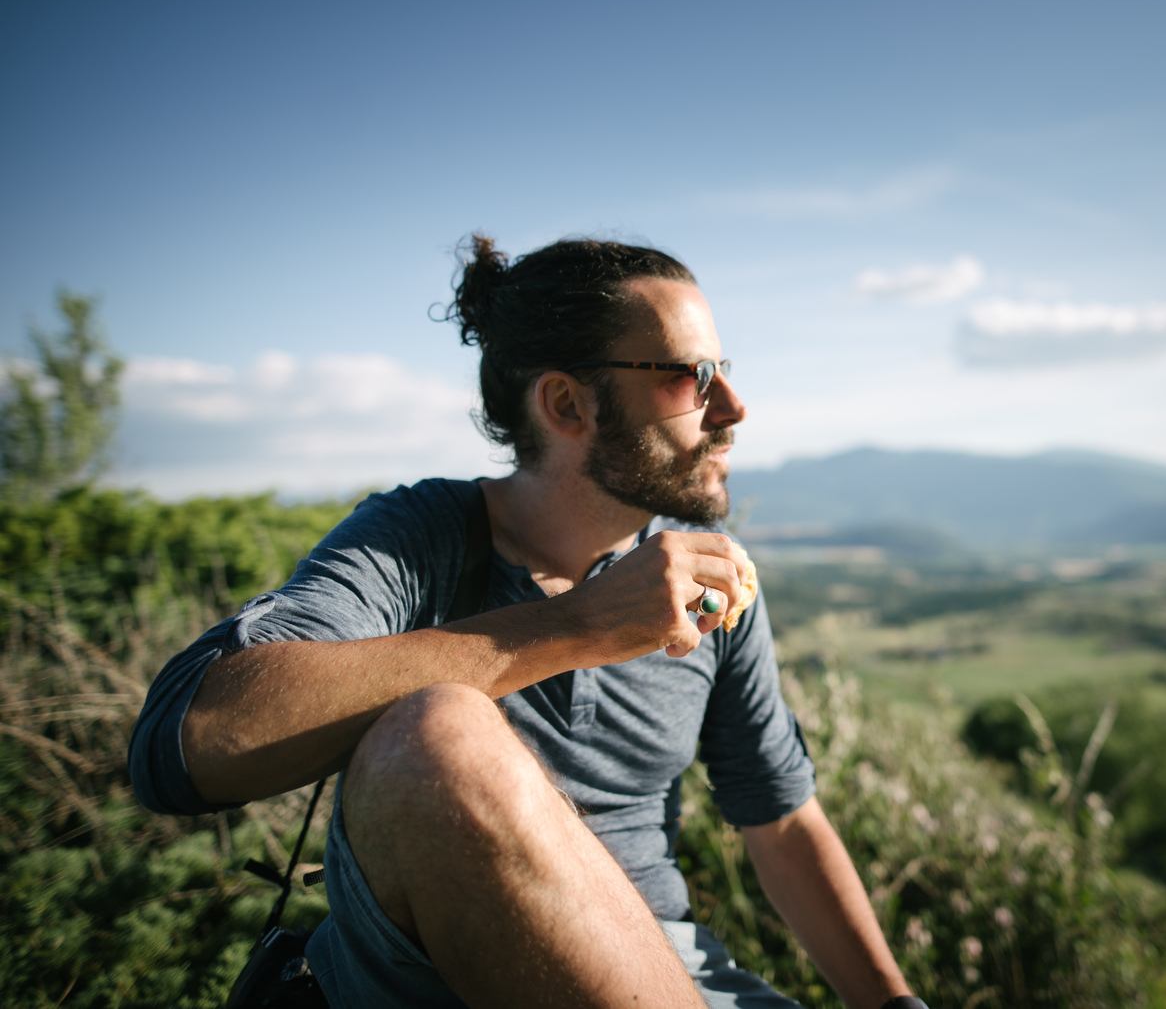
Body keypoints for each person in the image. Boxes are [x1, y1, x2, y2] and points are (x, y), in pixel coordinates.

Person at [128, 236, 927, 1009]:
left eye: (727, 371)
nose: (734, 407)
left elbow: (781, 822)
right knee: (437, 735)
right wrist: (576, 626)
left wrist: (893, 1003)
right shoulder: (423, 538)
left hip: (677, 973)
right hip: (426, 983)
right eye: (693, 375)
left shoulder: (713, 580)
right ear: (566, 403)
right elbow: (190, 740)